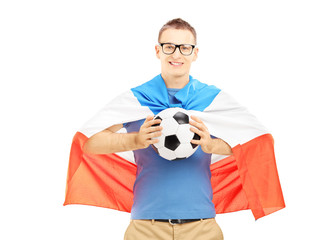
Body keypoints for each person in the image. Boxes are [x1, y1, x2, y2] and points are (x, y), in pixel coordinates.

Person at [64, 18, 285, 240]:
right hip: (145, 228)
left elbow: (259, 141)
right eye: (169, 47)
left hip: (202, 228)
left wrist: (212, 145)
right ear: (158, 51)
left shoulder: (212, 100)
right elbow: (87, 143)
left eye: (184, 48)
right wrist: (135, 140)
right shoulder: (137, 99)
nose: (176, 54)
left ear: (195, 53)